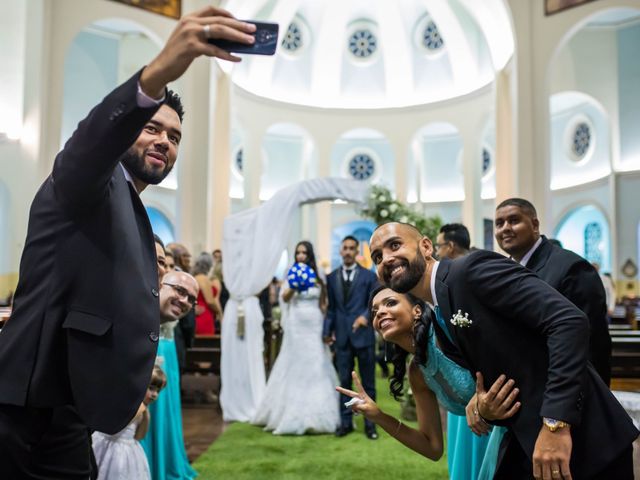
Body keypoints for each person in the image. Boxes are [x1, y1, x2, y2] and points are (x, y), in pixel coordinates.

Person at [0, 6, 257, 476]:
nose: (164, 142)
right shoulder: (85, 182)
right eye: (152, 128)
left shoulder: (134, 210)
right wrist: (157, 74)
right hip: (23, 402)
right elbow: (93, 140)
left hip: (71, 406)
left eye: (175, 137)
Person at [370, 222, 638, 479]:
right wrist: (483, 405)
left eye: (395, 245)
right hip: (525, 442)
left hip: (583, 440)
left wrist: (555, 423)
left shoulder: (471, 270)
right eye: (377, 257)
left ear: (426, 247)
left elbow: (568, 322)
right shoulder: (440, 311)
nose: (386, 259)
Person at [340, 286, 520, 479]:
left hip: (521, 424)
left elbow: (512, 352)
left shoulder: (446, 329)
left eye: (390, 303)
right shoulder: (417, 372)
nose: (380, 313)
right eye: (374, 312)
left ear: (417, 310)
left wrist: (480, 396)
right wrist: (379, 416)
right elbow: (432, 447)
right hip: (492, 441)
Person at [494, 198, 612, 385]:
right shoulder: (503, 271)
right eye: (499, 224)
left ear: (534, 225)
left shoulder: (572, 268)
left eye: (514, 220)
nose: (505, 228)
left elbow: (591, 345)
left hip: (559, 392)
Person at [432, 222, 497, 479]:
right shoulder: (442, 281)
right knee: (461, 440)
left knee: (481, 445)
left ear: (449, 246)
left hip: (482, 378)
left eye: (438, 245)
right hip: (459, 376)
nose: (437, 251)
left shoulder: (475, 272)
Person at [252, 241, 339, 434]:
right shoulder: (290, 274)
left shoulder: (318, 277)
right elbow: (284, 299)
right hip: (296, 322)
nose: (300, 256)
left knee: (317, 361)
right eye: (298, 253)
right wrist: (295, 285)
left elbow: (324, 304)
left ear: (309, 255)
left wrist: (327, 327)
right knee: (294, 361)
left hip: (315, 322)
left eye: (304, 253)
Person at [141, 270, 199, 480]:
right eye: (180, 291)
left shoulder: (164, 319)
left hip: (167, 349)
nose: (185, 301)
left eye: (191, 299)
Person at [323, 235, 379, 439]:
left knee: (368, 383)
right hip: (343, 339)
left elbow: (373, 304)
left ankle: (370, 424)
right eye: (344, 248)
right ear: (340, 251)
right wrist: (326, 332)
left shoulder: (369, 277)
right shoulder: (331, 278)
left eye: (351, 248)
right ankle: (345, 422)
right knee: (344, 383)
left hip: (364, 337)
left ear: (357, 252)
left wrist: (365, 317)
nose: (347, 251)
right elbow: (331, 309)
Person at [92, 365, 167, 480]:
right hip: (113, 448)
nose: (155, 394)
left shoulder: (143, 409)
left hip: (129, 447)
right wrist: (140, 410)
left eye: (158, 391)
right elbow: (116, 428)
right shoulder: (131, 406)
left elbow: (139, 436)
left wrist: (146, 416)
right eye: (151, 388)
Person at [192, 252, 222, 335]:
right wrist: (219, 312)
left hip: (199, 314)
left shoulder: (195, 277)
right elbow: (210, 301)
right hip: (204, 314)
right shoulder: (203, 278)